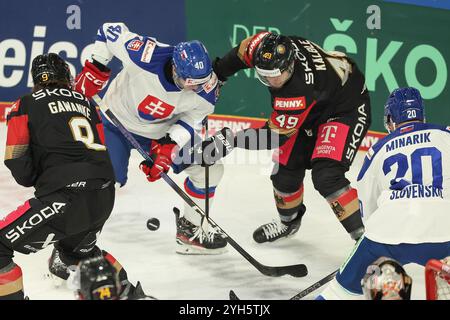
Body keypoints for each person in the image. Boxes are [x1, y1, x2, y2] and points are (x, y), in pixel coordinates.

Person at [0, 53, 146, 300]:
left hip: (65, 196)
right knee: (75, 253)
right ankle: (131, 296)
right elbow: (98, 150)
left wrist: (47, 177)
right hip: (103, 195)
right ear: (67, 78)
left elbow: (18, 163)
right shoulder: (89, 105)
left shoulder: (24, 104)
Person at [74, 22, 226, 254]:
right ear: (175, 68)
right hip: (116, 122)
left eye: (200, 82)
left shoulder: (207, 88)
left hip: (159, 132)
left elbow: (193, 118)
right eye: (188, 82)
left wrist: (168, 147)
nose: (193, 88)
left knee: (210, 168)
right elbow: (109, 29)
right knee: (103, 184)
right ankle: (71, 248)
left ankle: (190, 230)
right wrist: (96, 66)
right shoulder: (145, 54)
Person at [212, 32, 371, 243]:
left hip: (345, 108)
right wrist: (217, 76)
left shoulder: (297, 91)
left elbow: (273, 136)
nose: (272, 80)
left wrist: (231, 140)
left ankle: (366, 241)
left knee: (327, 176)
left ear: (290, 65)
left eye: (277, 75)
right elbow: (238, 55)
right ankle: (288, 224)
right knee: (284, 173)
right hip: (315, 105)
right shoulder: (261, 47)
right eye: (264, 75)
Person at [316, 87, 450, 300]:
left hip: (388, 234)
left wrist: (370, 246)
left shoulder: (377, 150)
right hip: (444, 233)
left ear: (390, 119)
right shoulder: (445, 134)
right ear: (421, 114)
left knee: (337, 293)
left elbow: (368, 212)